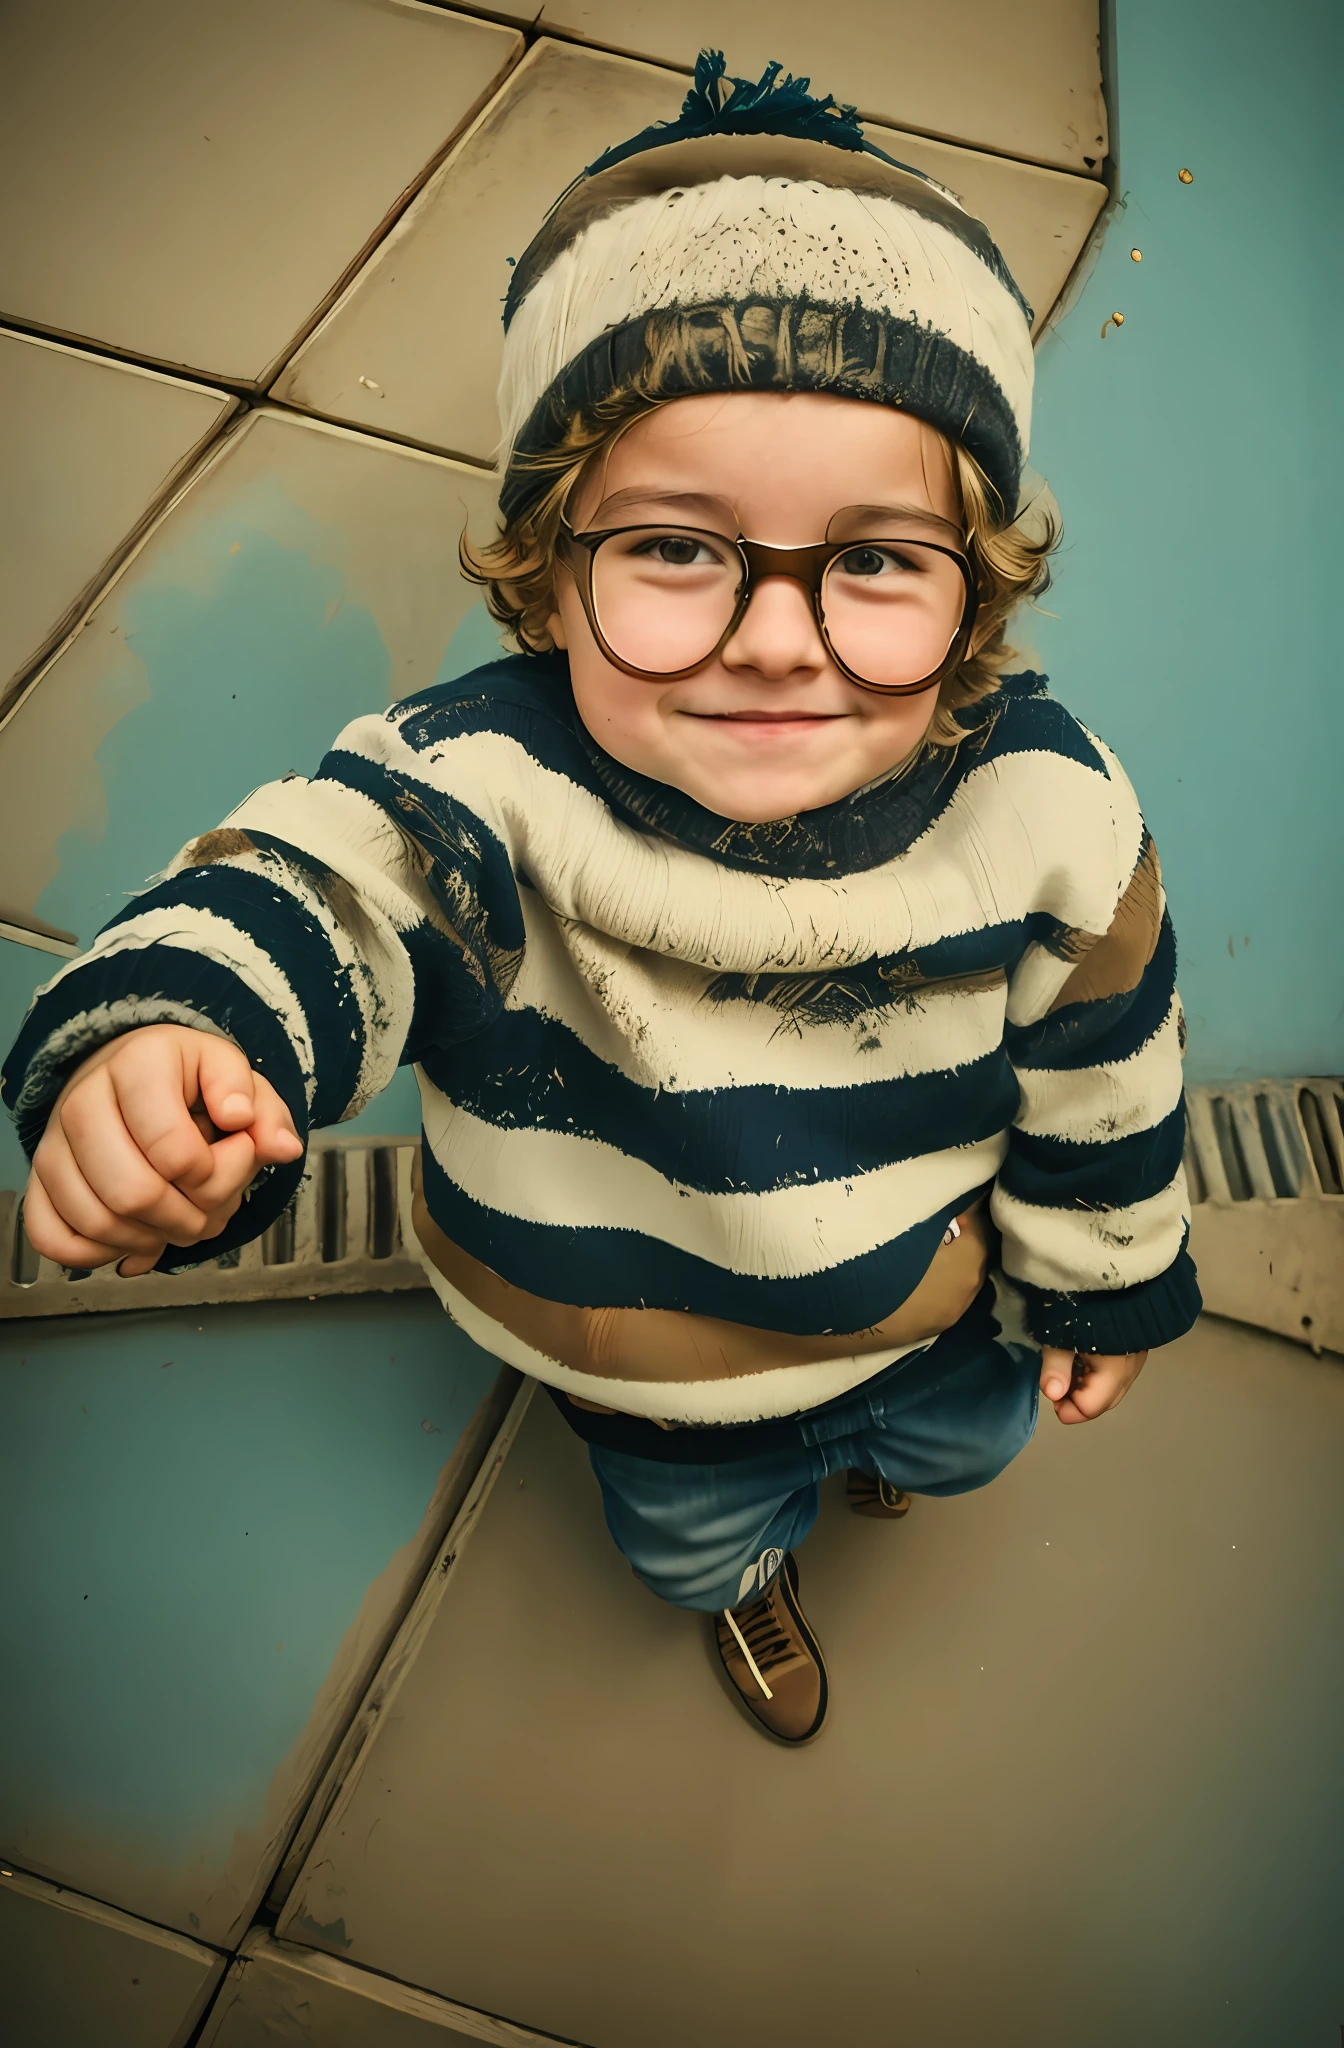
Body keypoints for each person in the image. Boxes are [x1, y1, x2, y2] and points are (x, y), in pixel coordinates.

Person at [2, 54, 1199, 1745]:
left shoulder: (1046, 804)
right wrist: (176, 1035)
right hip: (642, 1364)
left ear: (979, 584)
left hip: (937, 1312)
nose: (775, 637)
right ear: (548, 568)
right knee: (694, 1535)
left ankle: (878, 1466)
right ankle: (744, 1588)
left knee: (949, 1445)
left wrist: (1102, 1272)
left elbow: (1108, 1055)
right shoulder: (479, 789)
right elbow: (312, 894)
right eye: (677, 549)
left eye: (872, 559)